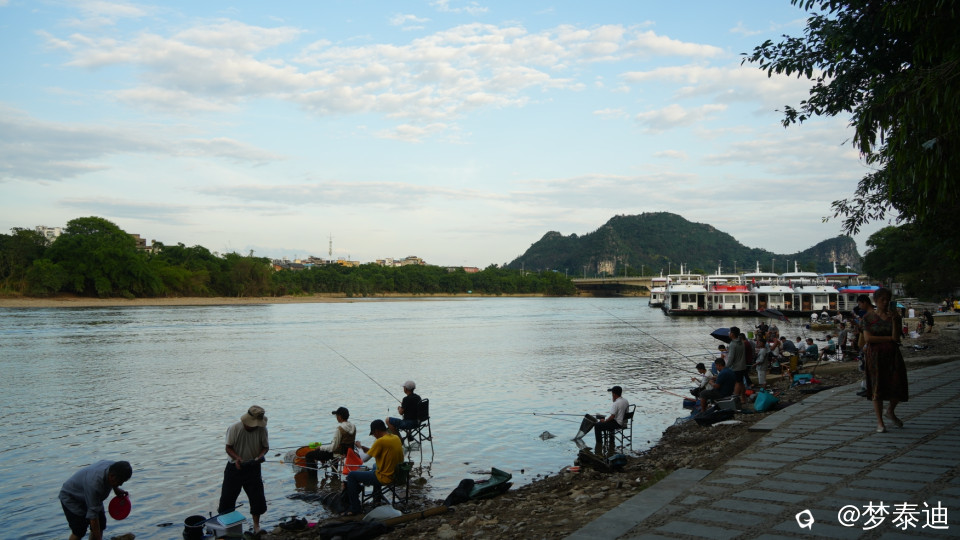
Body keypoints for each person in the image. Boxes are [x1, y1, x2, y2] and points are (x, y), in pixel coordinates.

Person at [863, 287, 909, 433]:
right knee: (877, 386)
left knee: (897, 383)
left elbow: (896, 337)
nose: (885, 302)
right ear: (875, 300)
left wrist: (895, 321)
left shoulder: (895, 317)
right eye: (882, 299)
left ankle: (890, 410)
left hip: (892, 354)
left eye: (887, 300)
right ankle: (880, 422)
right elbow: (868, 338)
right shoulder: (868, 318)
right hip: (875, 355)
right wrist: (889, 338)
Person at [219, 405, 269, 534]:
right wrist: (237, 458)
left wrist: (261, 456)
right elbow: (228, 447)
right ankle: (228, 528)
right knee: (227, 499)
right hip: (234, 468)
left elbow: (265, 447)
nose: (254, 426)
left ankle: (256, 526)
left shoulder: (262, 429)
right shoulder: (235, 428)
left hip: (253, 467)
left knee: (257, 498)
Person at [59, 460, 132, 540]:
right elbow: (93, 517)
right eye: (120, 482)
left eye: (123, 481)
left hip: (89, 494)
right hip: (72, 497)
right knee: (79, 530)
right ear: (111, 476)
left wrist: (116, 489)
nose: (121, 484)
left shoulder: (115, 467)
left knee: (100, 524)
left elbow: (95, 518)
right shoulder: (95, 484)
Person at [345, 419, 404, 516]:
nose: (374, 436)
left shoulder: (380, 441)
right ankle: (377, 498)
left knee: (351, 476)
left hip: (385, 477)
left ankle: (355, 508)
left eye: (373, 434)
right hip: (397, 475)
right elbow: (382, 451)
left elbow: (363, 459)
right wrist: (367, 449)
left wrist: (359, 448)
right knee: (374, 465)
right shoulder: (395, 437)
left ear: (376, 431)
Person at [593, 385, 629, 452]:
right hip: (624, 423)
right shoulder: (625, 401)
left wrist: (605, 421)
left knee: (597, 426)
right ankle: (611, 442)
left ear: (614, 394)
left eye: (612, 393)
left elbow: (612, 416)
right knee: (610, 422)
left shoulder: (616, 403)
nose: (612, 395)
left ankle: (599, 445)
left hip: (618, 424)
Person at [725, 327, 747, 404]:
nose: (729, 333)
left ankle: (734, 401)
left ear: (733, 334)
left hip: (737, 367)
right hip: (743, 366)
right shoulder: (741, 342)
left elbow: (731, 358)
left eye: (730, 332)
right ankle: (743, 398)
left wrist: (726, 367)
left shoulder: (732, 344)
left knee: (737, 383)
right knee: (741, 382)